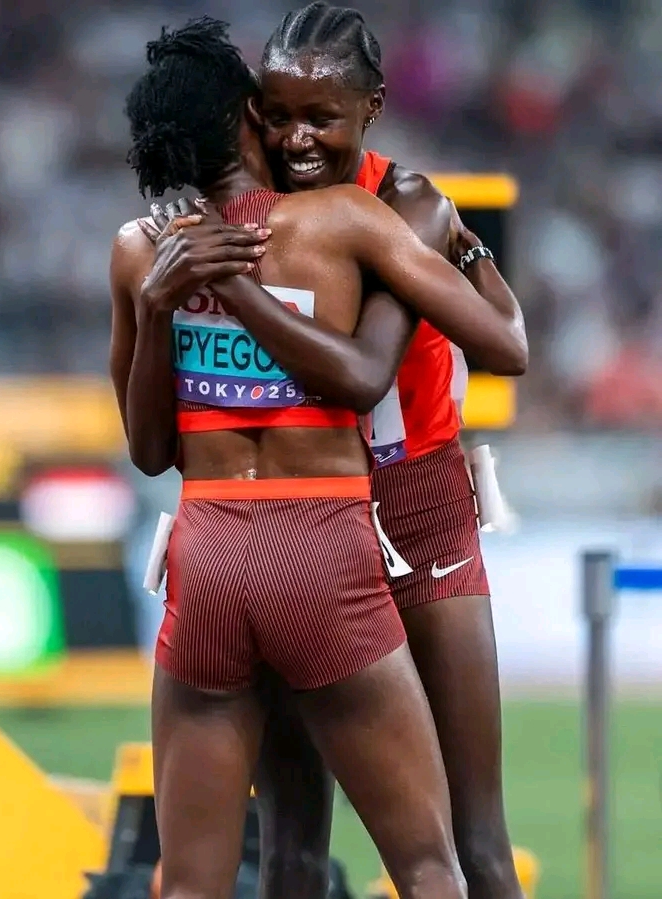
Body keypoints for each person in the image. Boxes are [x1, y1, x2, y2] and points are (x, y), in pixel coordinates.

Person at [111, 17, 527, 899]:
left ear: (370, 109)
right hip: (319, 525)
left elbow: (426, 361)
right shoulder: (304, 223)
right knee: (297, 842)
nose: (296, 139)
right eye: (277, 115)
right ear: (247, 114)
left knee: (473, 836)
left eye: (320, 119)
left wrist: (466, 243)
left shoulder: (400, 203)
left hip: (404, 503)